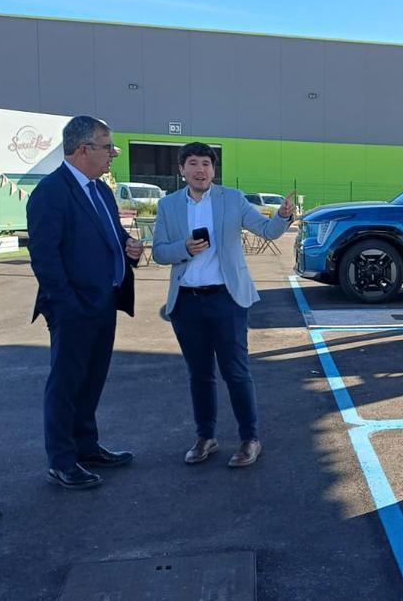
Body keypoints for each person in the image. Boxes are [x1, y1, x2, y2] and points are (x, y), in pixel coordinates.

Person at [153, 142, 294, 467]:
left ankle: (249, 439)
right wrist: (185, 247)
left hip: (226, 299)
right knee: (199, 374)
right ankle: (206, 436)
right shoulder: (168, 205)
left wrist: (283, 216)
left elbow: (266, 230)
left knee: (236, 372)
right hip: (186, 302)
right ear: (182, 170)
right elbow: (160, 251)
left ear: (213, 170)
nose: (200, 169)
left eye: (206, 163)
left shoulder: (232, 198)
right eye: (193, 163)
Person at [26, 116, 143, 490]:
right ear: (82, 150)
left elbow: (114, 235)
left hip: (104, 301)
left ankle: (86, 446)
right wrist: (66, 305)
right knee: (66, 383)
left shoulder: (101, 191)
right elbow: (45, 257)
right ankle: (62, 460)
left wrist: (130, 249)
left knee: (92, 379)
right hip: (73, 307)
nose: (113, 154)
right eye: (108, 146)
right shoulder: (51, 192)